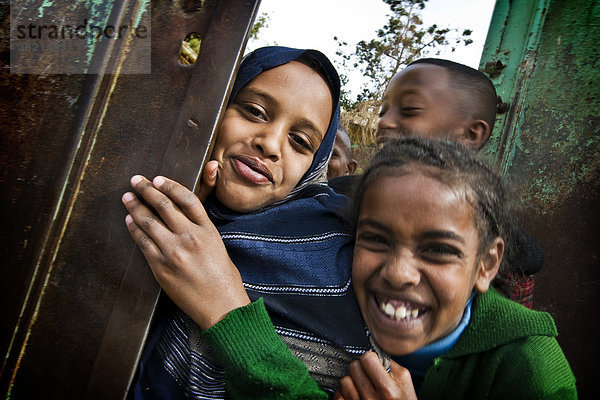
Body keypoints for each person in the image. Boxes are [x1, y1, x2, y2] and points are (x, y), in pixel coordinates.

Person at [160, 138, 575, 399]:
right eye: (376, 239)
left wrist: (230, 315)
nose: (397, 273)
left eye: (437, 250)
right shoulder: (328, 301)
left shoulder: (530, 369)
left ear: (486, 265)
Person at [122, 46, 370, 399]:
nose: (270, 144)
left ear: (314, 167)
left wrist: (225, 304)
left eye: (300, 142)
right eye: (253, 111)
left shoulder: (337, 253)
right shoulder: (142, 185)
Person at [329, 58, 543, 308]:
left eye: (410, 109)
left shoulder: (505, 254)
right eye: (383, 111)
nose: (384, 122)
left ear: (470, 135)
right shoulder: (337, 196)